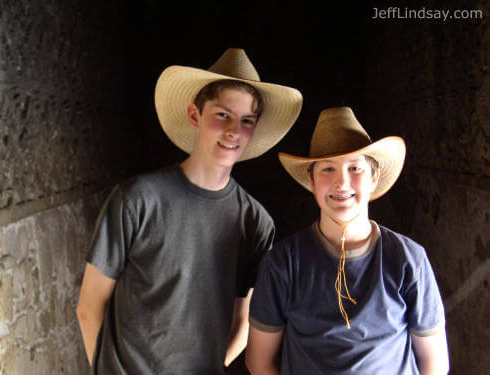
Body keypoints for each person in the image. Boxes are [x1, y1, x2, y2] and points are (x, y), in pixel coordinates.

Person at [76, 48, 303, 374]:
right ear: (195, 115)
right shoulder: (137, 198)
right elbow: (89, 306)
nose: (234, 131)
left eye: (247, 121)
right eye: (223, 114)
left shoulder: (255, 221)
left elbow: (244, 319)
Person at [245, 107, 449, 374]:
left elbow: (434, 362)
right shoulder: (283, 262)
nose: (342, 182)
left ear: (374, 177)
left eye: (355, 168)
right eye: (328, 169)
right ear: (312, 181)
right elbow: (259, 360)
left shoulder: (408, 259)